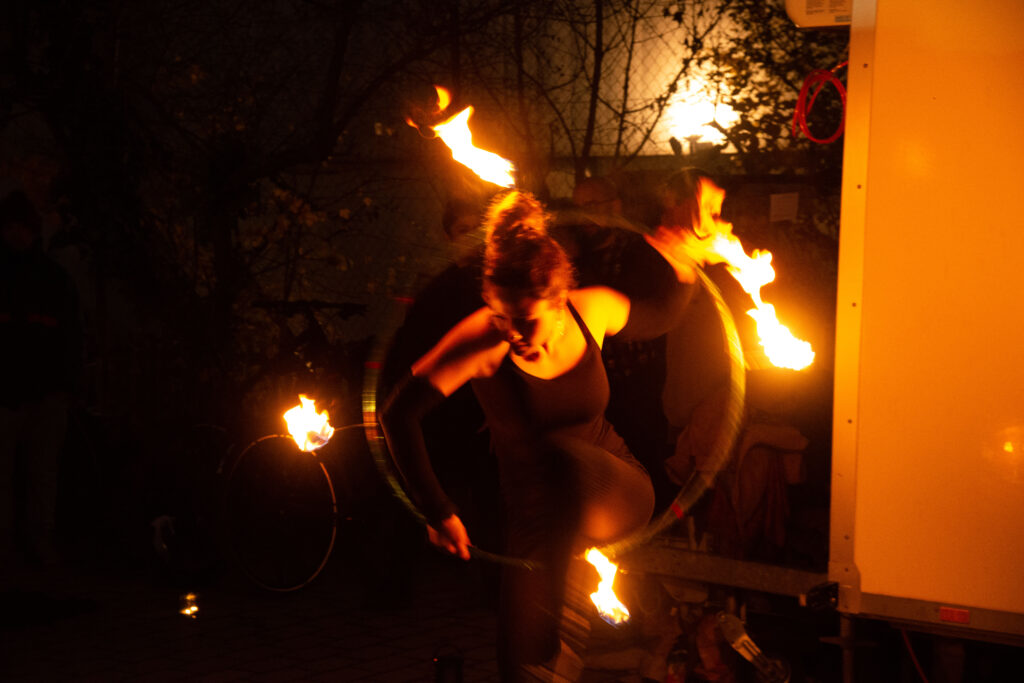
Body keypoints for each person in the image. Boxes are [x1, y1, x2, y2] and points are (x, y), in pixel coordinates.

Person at [380, 189, 711, 681]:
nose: (512, 332)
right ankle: (556, 616)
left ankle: (562, 610)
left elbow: (661, 314)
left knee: (557, 458)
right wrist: (438, 509)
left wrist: (684, 266)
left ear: (558, 302)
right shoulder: (483, 339)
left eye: (525, 319)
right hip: (536, 529)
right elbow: (397, 414)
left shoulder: (591, 310)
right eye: (502, 315)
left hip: (615, 491)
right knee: (521, 668)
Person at [0, 190, 81, 573]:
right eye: (10, 227)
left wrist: (67, 385)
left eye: (22, 227)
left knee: (42, 474)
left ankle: (39, 540)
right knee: (8, 474)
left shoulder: (54, 279)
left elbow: (72, 336)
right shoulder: (42, 276)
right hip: (6, 392)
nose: (16, 234)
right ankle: (7, 544)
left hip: (47, 393)